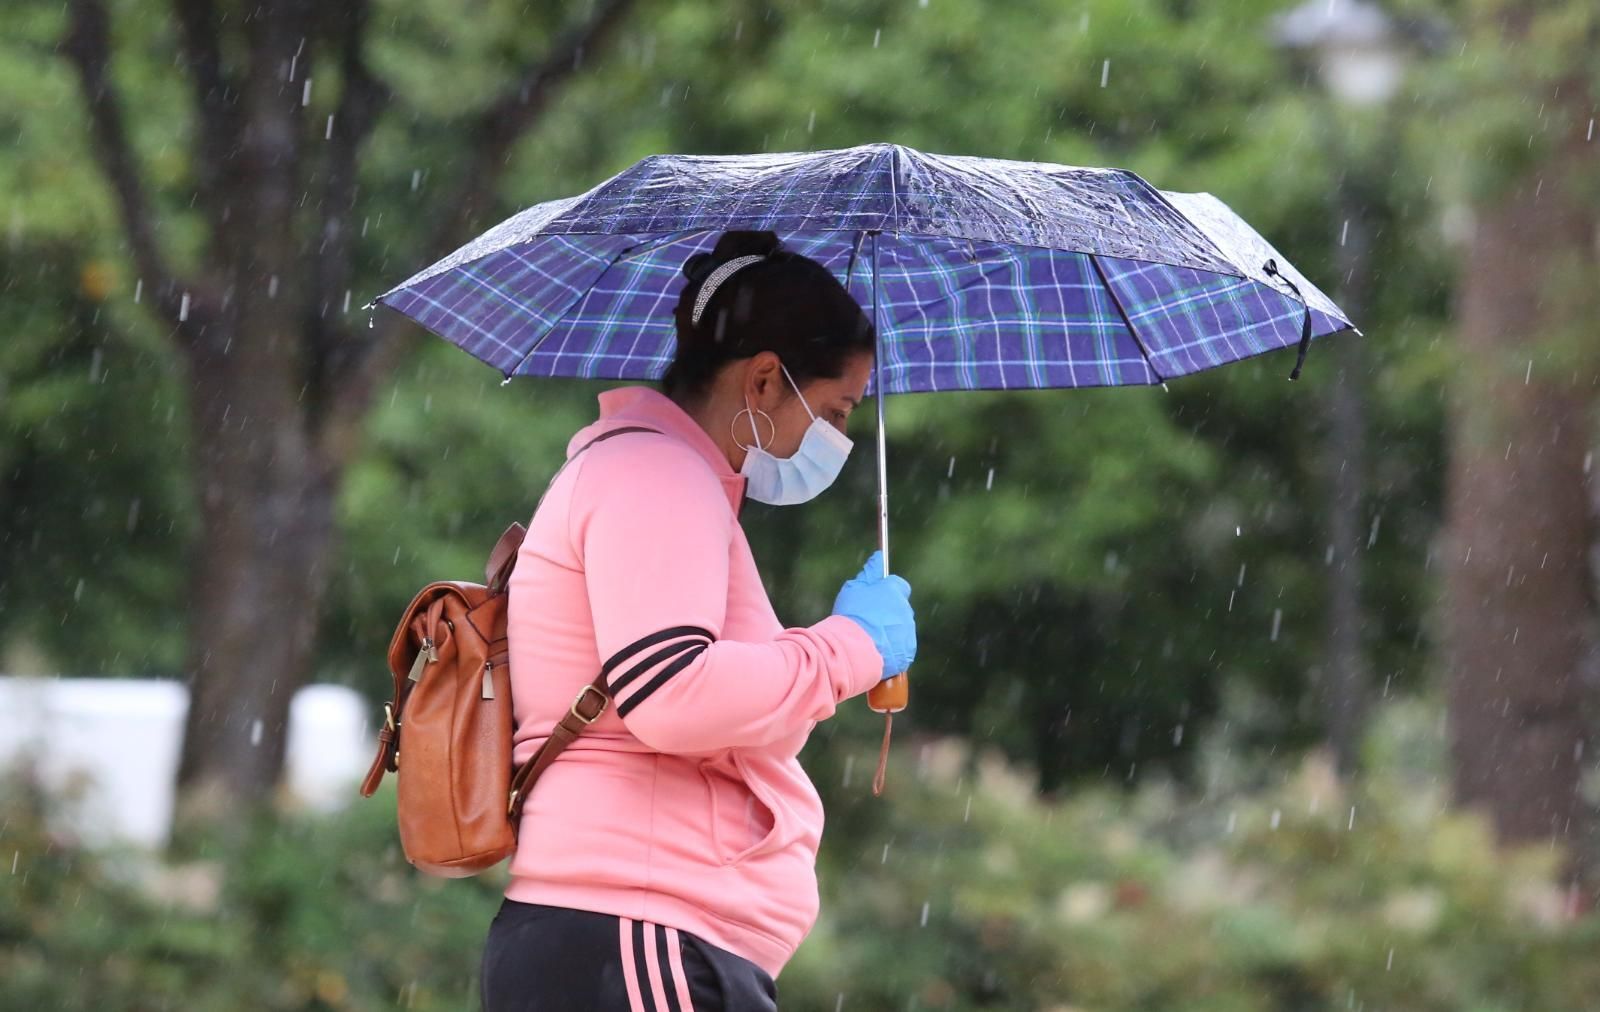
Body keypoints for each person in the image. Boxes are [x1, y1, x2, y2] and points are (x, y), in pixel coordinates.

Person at [480, 230, 918, 1011]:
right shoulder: (657, 476)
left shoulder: (662, 477)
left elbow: (729, 718)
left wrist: (817, 660)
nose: (840, 438)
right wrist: (850, 646)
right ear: (761, 380)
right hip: (642, 931)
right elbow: (673, 696)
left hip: (629, 935)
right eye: (834, 409)